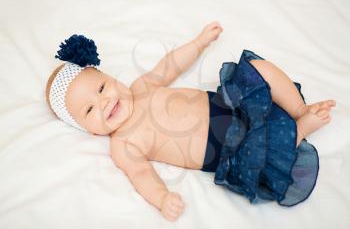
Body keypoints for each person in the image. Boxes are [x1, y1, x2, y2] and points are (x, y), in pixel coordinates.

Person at [45, 21, 336, 221]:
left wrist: (198, 43)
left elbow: (169, 66)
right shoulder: (122, 144)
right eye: (89, 110)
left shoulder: (140, 87)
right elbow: (141, 176)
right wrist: (161, 199)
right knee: (262, 155)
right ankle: (301, 127)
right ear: (86, 129)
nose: (105, 102)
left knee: (257, 69)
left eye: (101, 88)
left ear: (109, 78)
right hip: (228, 149)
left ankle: (298, 108)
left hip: (230, 104)